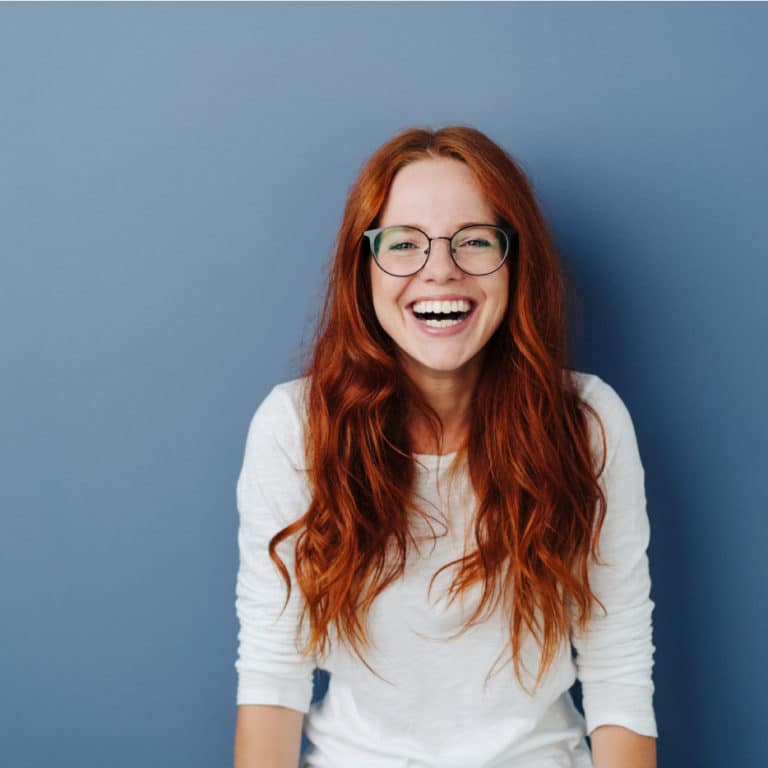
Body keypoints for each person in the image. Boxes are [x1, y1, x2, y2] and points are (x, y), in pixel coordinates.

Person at [232, 125, 658, 768]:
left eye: (474, 241)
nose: (440, 270)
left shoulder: (588, 421)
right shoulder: (295, 427)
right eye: (404, 244)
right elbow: (272, 674)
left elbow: (618, 665)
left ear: (515, 262)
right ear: (363, 268)